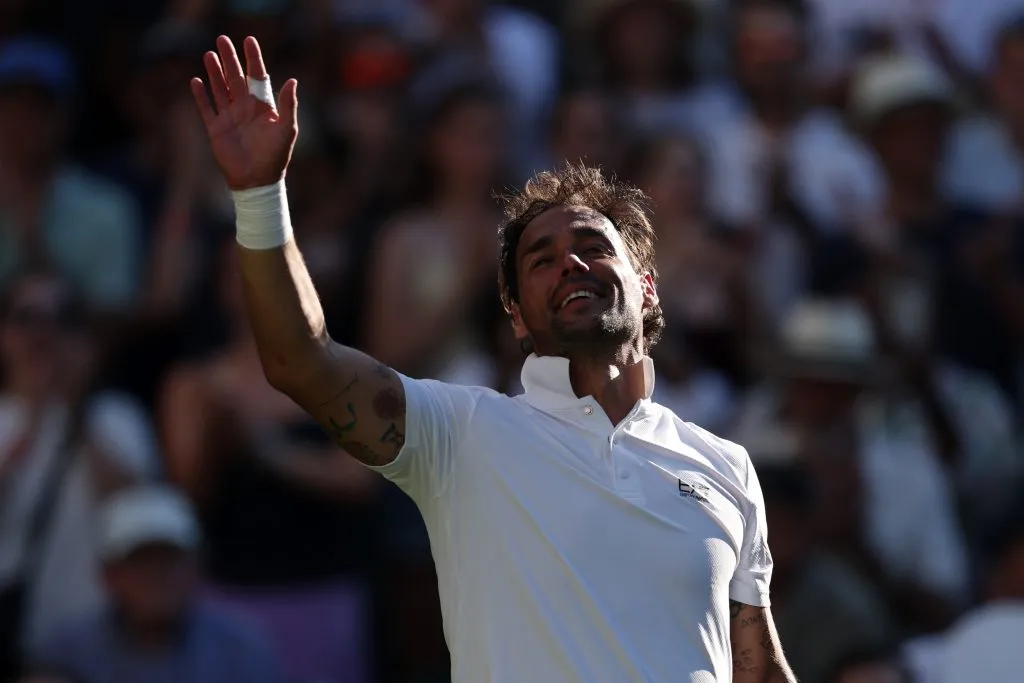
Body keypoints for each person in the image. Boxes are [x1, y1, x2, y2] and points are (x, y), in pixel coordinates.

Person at [191, 35, 797, 683]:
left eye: (593, 244)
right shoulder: (464, 434)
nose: (569, 261)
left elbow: (757, 671)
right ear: (517, 316)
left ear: (646, 283)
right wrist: (260, 197)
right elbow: (300, 362)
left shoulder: (726, 466)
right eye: (540, 259)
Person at [25, 485, 283, 683]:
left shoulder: (239, 647)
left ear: (197, 567)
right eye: (141, 562)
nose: (158, 576)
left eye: (170, 560)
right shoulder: (66, 651)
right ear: (109, 575)